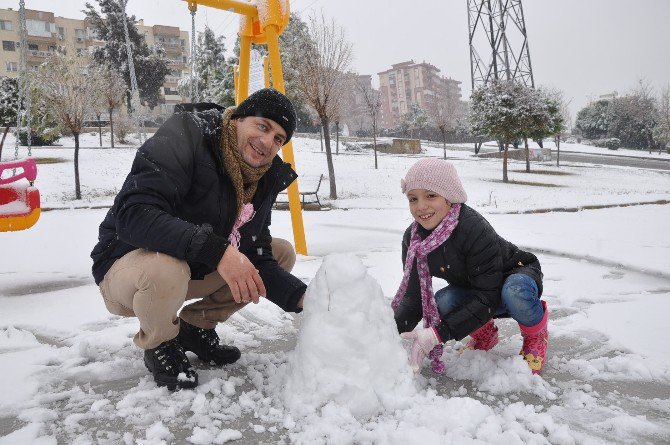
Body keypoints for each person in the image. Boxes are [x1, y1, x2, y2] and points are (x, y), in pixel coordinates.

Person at [91, 88, 307, 390]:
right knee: (166, 269)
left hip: (189, 267)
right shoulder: (185, 135)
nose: (267, 142)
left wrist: (305, 299)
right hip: (127, 268)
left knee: (280, 253)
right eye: (263, 126)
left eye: (278, 139)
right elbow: (134, 214)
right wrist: (219, 252)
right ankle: (161, 342)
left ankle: (195, 327)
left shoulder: (263, 177)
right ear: (237, 120)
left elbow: (256, 252)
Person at [393, 158, 548, 375]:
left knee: (515, 291)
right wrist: (387, 335)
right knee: (444, 301)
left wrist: (438, 334)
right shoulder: (414, 241)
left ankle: (535, 337)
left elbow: (488, 297)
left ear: (450, 198)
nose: (421, 206)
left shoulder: (473, 228)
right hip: (478, 288)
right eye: (413, 198)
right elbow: (414, 298)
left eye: (431, 195)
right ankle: (485, 335)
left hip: (514, 276)